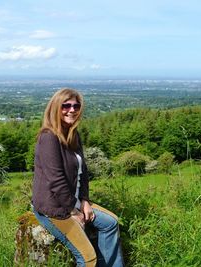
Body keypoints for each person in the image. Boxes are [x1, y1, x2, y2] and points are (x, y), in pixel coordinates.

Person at [32, 88, 125, 267]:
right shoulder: (48, 137)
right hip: (54, 208)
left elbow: (83, 172)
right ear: (55, 108)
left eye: (76, 105)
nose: (72, 109)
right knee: (88, 258)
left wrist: (84, 201)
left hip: (73, 202)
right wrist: (73, 212)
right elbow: (56, 179)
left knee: (110, 223)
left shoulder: (73, 134)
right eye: (66, 105)